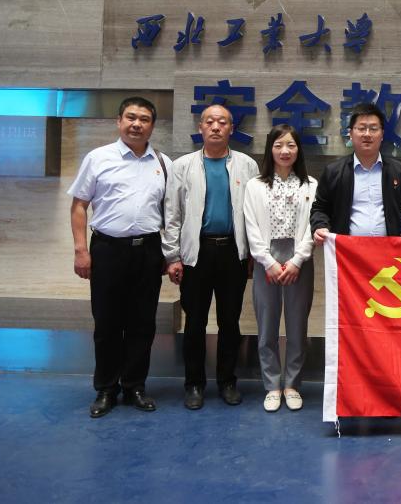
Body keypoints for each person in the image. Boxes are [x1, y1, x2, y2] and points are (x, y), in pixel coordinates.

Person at [68, 96, 170, 418]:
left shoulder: (163, 163)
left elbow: (170, 214)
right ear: (119, 121)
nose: (137, 124)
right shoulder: (98, 158)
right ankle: (106, 389)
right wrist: (81, 250)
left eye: (144, 119)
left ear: (152, 126)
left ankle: (135, 386)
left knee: (143, 323)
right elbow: (79, 205)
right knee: (107, 322)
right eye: (131, 117)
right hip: (108, 250)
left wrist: (170, 255)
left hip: (149, 251)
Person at [162, 104, 260, 410]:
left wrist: (252, 253)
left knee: (230, 321)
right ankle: (194, 384)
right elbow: (172, 215)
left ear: (232, 128)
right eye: (209, 122)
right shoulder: (182, 166)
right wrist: (172, 256)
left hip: (233, 252)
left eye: (222, 122)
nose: (216, 127)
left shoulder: (247, 165)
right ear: (200, 127)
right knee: (195, 322)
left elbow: (255, 214)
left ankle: (228, 381)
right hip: (197, 253)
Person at [243, 124, 317, 413]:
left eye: (291, 145)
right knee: (267, 326)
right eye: (278, 145)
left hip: (300, 259)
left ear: (298, 150)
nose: (285, 151)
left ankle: (292, 385)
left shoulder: (310, 185)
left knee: (297, 326)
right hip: (267, 259)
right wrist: (268, 261)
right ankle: (273, 385)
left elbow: (313, 227)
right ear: (270, 149)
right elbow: (251, 226)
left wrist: (298, 260)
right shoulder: (255, 185)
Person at [310, 103, 401, 244]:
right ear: (351, 133)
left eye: (373, 129)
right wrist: (320, 226)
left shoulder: (397, 170)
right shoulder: (333, 171)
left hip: (389, 250)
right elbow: (320, 208)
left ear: (382, 134)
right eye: (362, 128)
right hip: (348, 251)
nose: (367, 134)